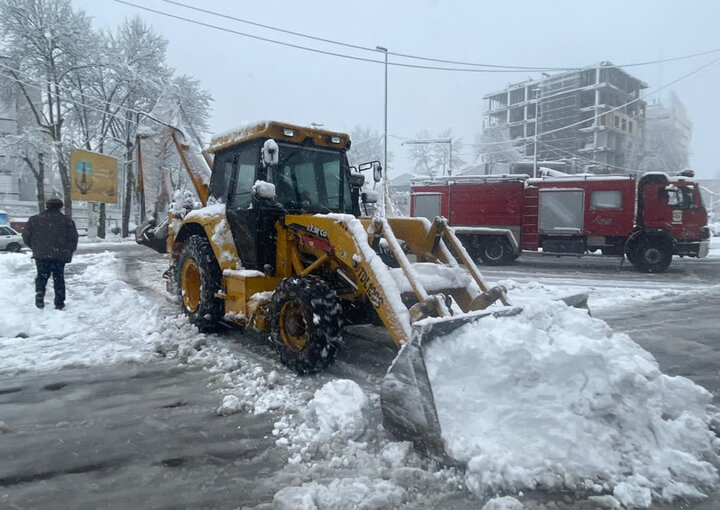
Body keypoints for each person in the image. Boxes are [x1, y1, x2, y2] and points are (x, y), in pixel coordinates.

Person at [22, 197, 79, 310]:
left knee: (41, 276)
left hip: (41, 255)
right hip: (59, 256)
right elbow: (73, 239)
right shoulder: (66, 221)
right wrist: (68, 251)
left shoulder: (34, 219)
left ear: (47, 206)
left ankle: (40, 293)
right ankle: (59, 302)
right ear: (60, 207)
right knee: (59, 278)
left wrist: (35, 247)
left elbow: (26, 236)